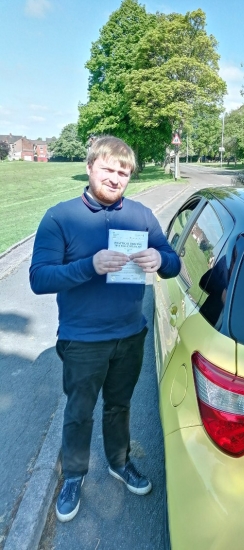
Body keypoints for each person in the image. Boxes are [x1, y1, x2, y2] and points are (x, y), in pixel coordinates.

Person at [29, 136, 181, 522]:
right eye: (108, 169)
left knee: (120, 406)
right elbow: (39, 279)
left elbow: (173, 263)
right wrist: (89, 266)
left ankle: (119, 462)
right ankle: (75, 476)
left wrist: (158, 259)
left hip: (130, 334)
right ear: (91, 166)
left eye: (123, 172)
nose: (115, 178)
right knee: (79, 411)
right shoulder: (60, 217)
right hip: (82, 339)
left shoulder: (142, 216)